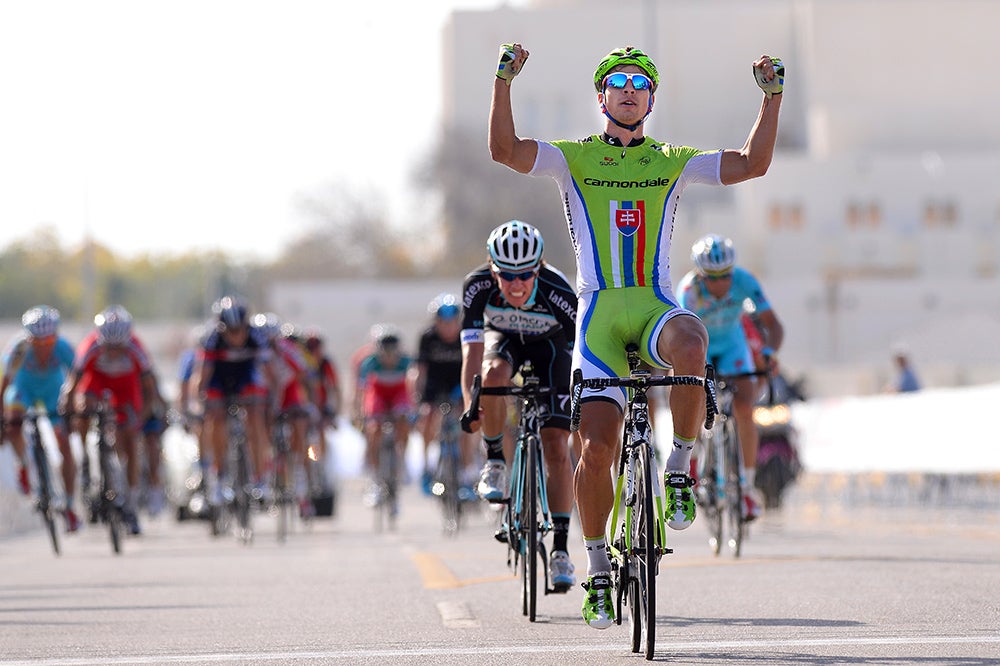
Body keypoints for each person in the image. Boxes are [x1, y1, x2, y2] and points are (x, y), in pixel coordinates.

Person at [488, 43, 783, 628]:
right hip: (597, 313)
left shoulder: (672, 158)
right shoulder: (572, 156)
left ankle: (678, 467)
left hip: (653, 304)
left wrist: (771, 97)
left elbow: (752, 163)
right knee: (595, 451)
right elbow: (503, 151)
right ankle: (598, 569)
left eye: (640, 83)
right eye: (617, 81)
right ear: (602, 96)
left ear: (651, 99)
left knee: (693, 343)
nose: (628, 89)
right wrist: (503, 81)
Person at [460, 220, 579, 593]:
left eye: (525, 275)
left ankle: (560, 549)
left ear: (538, 268)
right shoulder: (476, 287)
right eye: (506, 275)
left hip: (551, 349)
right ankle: (495, 461)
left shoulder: (560, 291)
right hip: (504, 343)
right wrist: (470, 405)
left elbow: (581, 358)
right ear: (492, 269)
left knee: (557, 445)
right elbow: (472, 355)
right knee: (493, 374)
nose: (515, 284)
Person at [677, 234, 785, 522]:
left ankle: (747, 489)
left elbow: (774, 325)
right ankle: (696, 456)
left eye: (725, 276)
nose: (720, 283)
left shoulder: (745, 281)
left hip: (733, 346)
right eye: (712, 278)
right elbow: (679, 337)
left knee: (745, 409)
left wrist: (769, 353)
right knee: (697, 403)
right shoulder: (688, 291)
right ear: (700, 275)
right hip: (701, 348)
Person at [59, 305, 163, 535]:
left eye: (119, 348)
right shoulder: (90, 346)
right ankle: (86, 457)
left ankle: (132, 503)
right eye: (109, 347)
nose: (114, 352)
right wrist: (67, 410)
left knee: (130, 442)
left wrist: (140, 419)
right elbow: (72, 386)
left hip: (126, 390)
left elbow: (149, 391)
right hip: (96, 384)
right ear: (100, 339)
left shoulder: (137, 348)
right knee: (82, 405)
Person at [0, 306, 81, 532]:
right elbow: (4, 384)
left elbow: (78, 376)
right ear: (29, 338)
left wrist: (73, 405)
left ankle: (70, 504)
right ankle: (23, 464)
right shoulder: (18, 349)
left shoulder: (63, 347)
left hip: (53, 392)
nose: (44, 346)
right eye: (38, 342)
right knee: (13, 420)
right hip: (22, 390)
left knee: (64, 443)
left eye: (49, 342)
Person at [196, 295, 272, 507]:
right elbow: (203, 376)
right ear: (221, 328)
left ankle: (260, 479)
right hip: (219, 379)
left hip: (245, 376)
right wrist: (199, 401)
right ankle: (218, 477)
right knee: (216, 419)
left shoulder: (257, 336)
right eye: (231, 331)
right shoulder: (212, 339)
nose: (236, 336)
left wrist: (271, 398)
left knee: (256, 418)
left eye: (240, 330)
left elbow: (268, 372)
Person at [413, 293, 474, 496]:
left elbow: (474, 365)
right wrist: (418, 399)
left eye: (451, 322)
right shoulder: (427, 337)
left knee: (466, 425)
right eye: (442, 322)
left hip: (459, 382)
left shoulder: (466, 335)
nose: (447, 327)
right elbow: (420, 370)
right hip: (434, 384)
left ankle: (465, 473)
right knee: (428, 416)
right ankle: (427, 466)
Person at [356, 324, 414, 513]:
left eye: (392, 350)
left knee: (403, 419)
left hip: (398, 393)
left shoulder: (406, 361)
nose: (389, 355)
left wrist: (413, 410)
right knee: (374, 428)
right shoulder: (369, 363)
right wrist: (361, 414)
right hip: (378, 394)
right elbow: (362, 392)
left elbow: (412, 388)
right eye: (385, 350)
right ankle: (374, 477)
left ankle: (402, 460)